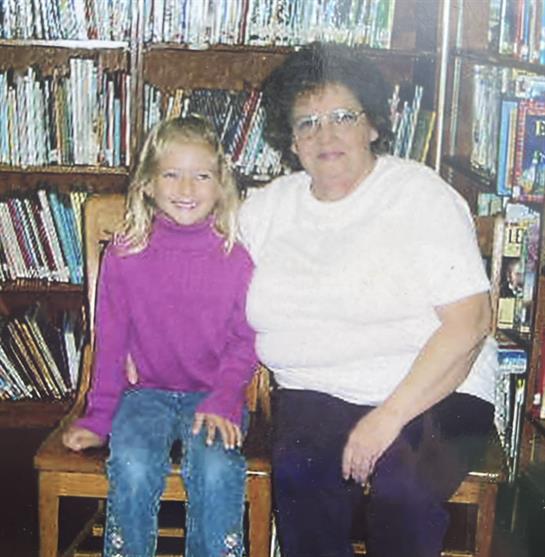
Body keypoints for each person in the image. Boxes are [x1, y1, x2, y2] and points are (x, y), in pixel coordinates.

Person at [238, 42, 497, 557]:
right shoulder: (265, 209)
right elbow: (204, 281)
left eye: (342, 116)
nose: (325, 134)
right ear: (290, 140)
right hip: (315, 388)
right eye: (307, 122)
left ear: (374, 125)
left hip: (441, 390)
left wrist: (387, 419)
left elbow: (470, 326)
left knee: (404, 491)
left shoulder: (420, 196)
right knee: (300, 476)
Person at [62, 115, 257, 557]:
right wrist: (99, 418)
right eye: (172, 174)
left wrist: (226, 396)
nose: (186, 189)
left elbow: (245, 339)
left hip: (212, 396)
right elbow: (110, 341)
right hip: (144, 393)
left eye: (201, 175)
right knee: (131, 464)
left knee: (215, 467)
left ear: (221, 185)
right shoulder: (126, 253)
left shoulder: (237, 256)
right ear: (148, 183)